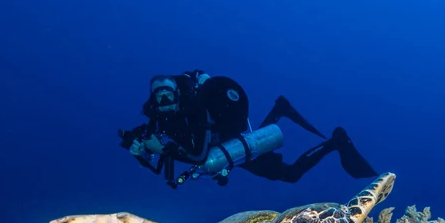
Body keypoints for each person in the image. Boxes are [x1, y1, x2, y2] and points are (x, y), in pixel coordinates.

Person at [122, 70, 376, 187]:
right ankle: (279, 110)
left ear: (178, 93)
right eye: (159, 97)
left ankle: (335, 141)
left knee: (290, 175)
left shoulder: (196, 109)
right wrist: (141, 151)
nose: (165, 101)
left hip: (229, 141)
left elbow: (198, 155)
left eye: (168, 94)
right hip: (220, 145)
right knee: (270, 160)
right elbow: (160, 163)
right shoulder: (160, 117)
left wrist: (162, 148)